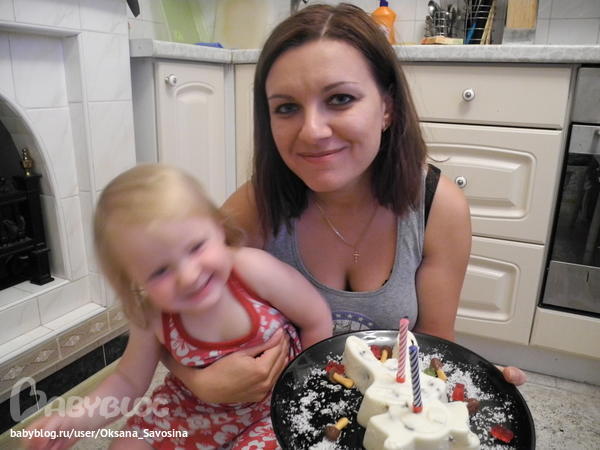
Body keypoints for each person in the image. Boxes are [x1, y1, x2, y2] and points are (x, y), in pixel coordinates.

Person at [163, 2, 527, 406]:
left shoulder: (437, 208)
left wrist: (464, 387)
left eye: (339, 99)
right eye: (286, 108)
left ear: (387, 107)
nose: (312, 131)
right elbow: (154, 305)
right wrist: (198, 381)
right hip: (274, 413)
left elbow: (433, 347)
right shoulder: (257, 205)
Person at [24, 164, 332, 450]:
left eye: (196, 247)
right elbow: (128, 382)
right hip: (191, 407)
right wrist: (74, 422)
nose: (188, 276)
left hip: (272, 402)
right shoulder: (152, 314)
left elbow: (316, 318)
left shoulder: (252, 270)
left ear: (219, 228)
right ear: (135, 281)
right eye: (160, 271)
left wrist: (305, 389)